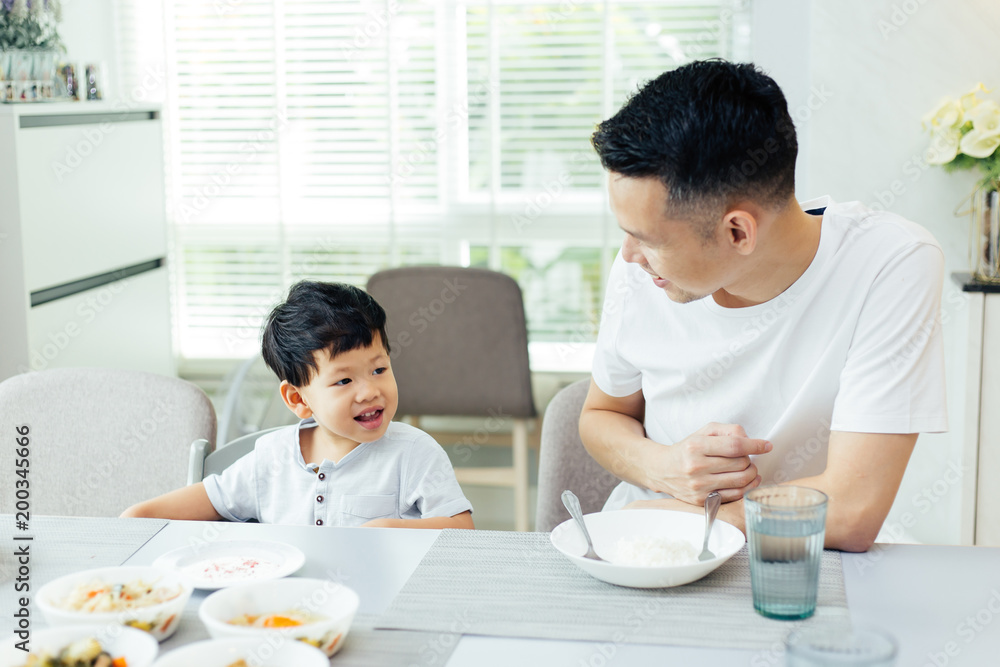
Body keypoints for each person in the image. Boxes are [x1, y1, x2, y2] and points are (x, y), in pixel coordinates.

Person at [580, 59, 947, 552]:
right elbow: (600, 415)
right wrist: (663, 467)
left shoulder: (889, 262)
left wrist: (687, 522)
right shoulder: (641, 269)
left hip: (798, 554)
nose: (628, 255)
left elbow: (853, 511)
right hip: (647, 546)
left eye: (647, 239)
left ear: (738, 232)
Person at [123, 281, 474, 529]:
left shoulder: (413, 452)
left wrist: (392, 531)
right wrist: (133, 520)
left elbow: (462, 530)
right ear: (298, 399)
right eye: (344, 381)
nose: (370, 391)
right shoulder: (270, 459)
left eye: (379, 370)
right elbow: (181, 508)